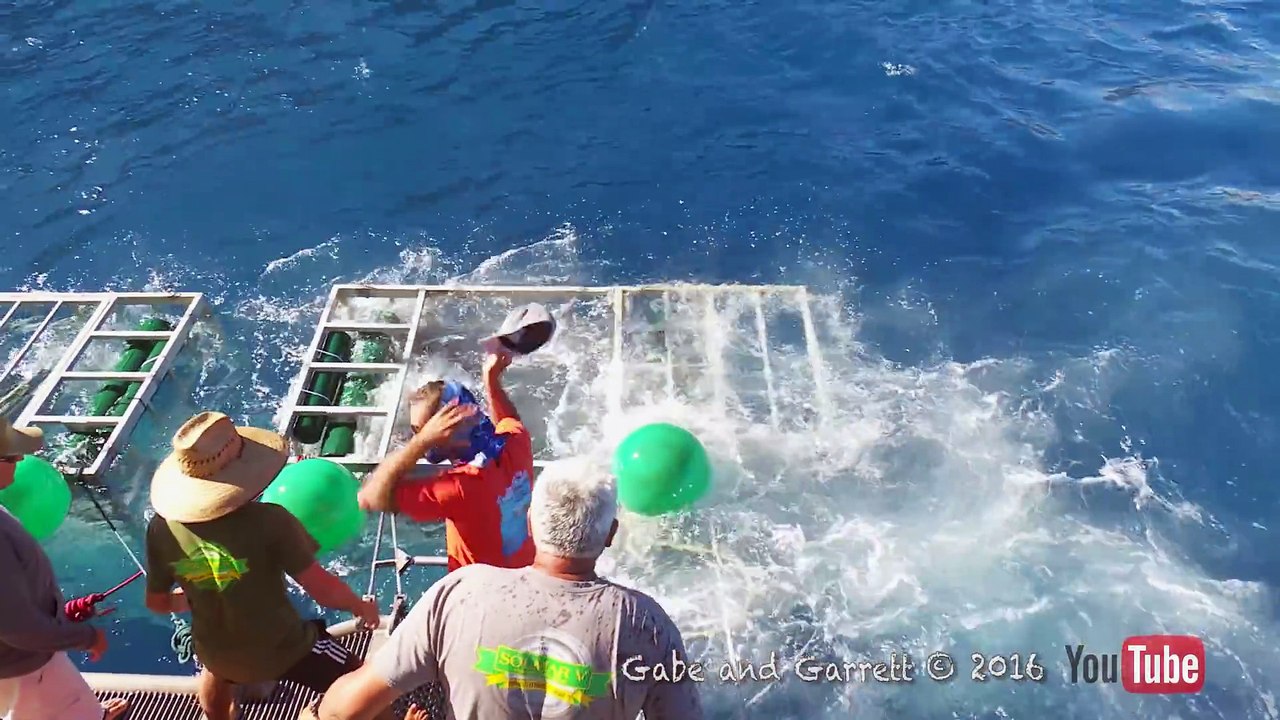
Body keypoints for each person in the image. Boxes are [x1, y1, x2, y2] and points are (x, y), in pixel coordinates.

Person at [315, 458, 705, 720]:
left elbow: (345, 709)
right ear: (610, 535)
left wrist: (315, 713)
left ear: (530, 522)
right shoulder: (647, 625)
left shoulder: (460, 593)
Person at [143, 411, 382, 720]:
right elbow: (321, 588)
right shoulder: (270, 520)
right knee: (365, 682)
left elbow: (158, 603)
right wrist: (359, 607)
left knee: (216, 670)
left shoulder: (161, 528)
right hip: (284, 649)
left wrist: (205, 590)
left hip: (215, 652)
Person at [358, 350, 537, 571]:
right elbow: (508, 420)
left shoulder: (458, 489)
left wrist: (420, 443)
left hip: (478, 588)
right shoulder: (517, 441)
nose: (417, 436)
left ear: (443, 433)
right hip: (526, 573)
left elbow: (369, 497)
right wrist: (491, 380)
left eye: (422, 430)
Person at [0, 418, 128, 720]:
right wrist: (86, 636)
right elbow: (18, 629)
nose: (21, 460)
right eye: (12, 457)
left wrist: (60, 615)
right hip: (26, 669)